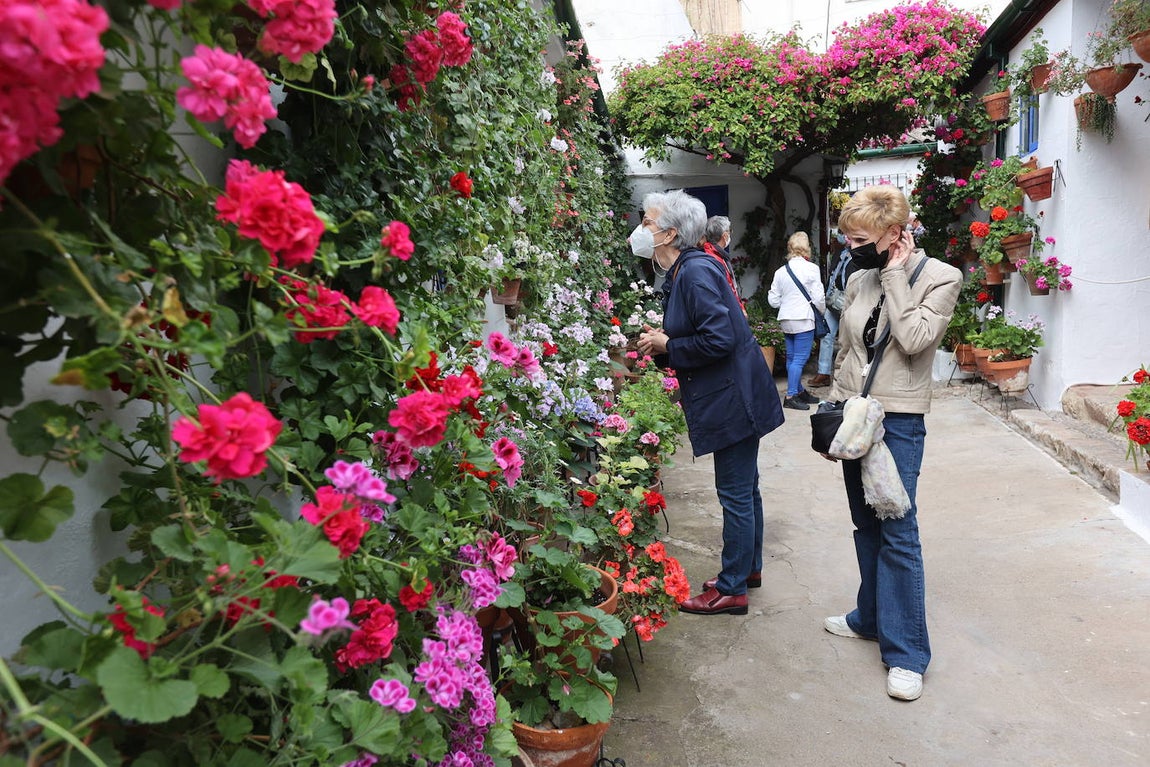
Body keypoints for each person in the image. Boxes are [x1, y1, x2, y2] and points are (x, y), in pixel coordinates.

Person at [820, 185, 961, 702]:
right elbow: (846, 348)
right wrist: (833, 408)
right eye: (848, 238)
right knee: (865, 523)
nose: (850, 248)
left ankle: (906, 654)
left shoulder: (942, 276)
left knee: (898, 530)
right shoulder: (859, 276)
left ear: (894, 234)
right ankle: (870, 618)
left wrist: (897, 275)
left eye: (860, 239)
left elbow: (915, 339)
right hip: (854, 415)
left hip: (898, 420)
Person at [633, 190, 784, 616]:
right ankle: (746, 569)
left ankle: (732, 588)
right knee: (745, 490)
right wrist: (666, 341)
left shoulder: (694, 272)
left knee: (735, 493)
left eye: (647, 222)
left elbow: (718, 339)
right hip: (736, 393)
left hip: (734, 399)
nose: (641, 230)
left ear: (669, 234)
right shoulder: (690, 268)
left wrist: (668, 345)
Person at [767, 231, 825, 410]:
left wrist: (787, 303)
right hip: (803, 318)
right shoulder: (812, 269)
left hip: (786, 318)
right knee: (799, 359)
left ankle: (799, 391)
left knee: (792, 358)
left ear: (790, 248)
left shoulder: (780, 271)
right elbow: (819, 298)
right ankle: (791, 395)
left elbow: (773, 300)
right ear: (807, 248)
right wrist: (821, 312)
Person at [809, 233, 856, 389]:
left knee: (848, 339)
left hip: (850, 302)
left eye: (847, 235)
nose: (843, 237)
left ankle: (846, 375)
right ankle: (823, 373)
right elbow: (832, 274)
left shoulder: (860, 255)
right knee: (826, 336)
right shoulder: (839, 253)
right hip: (833, 302)